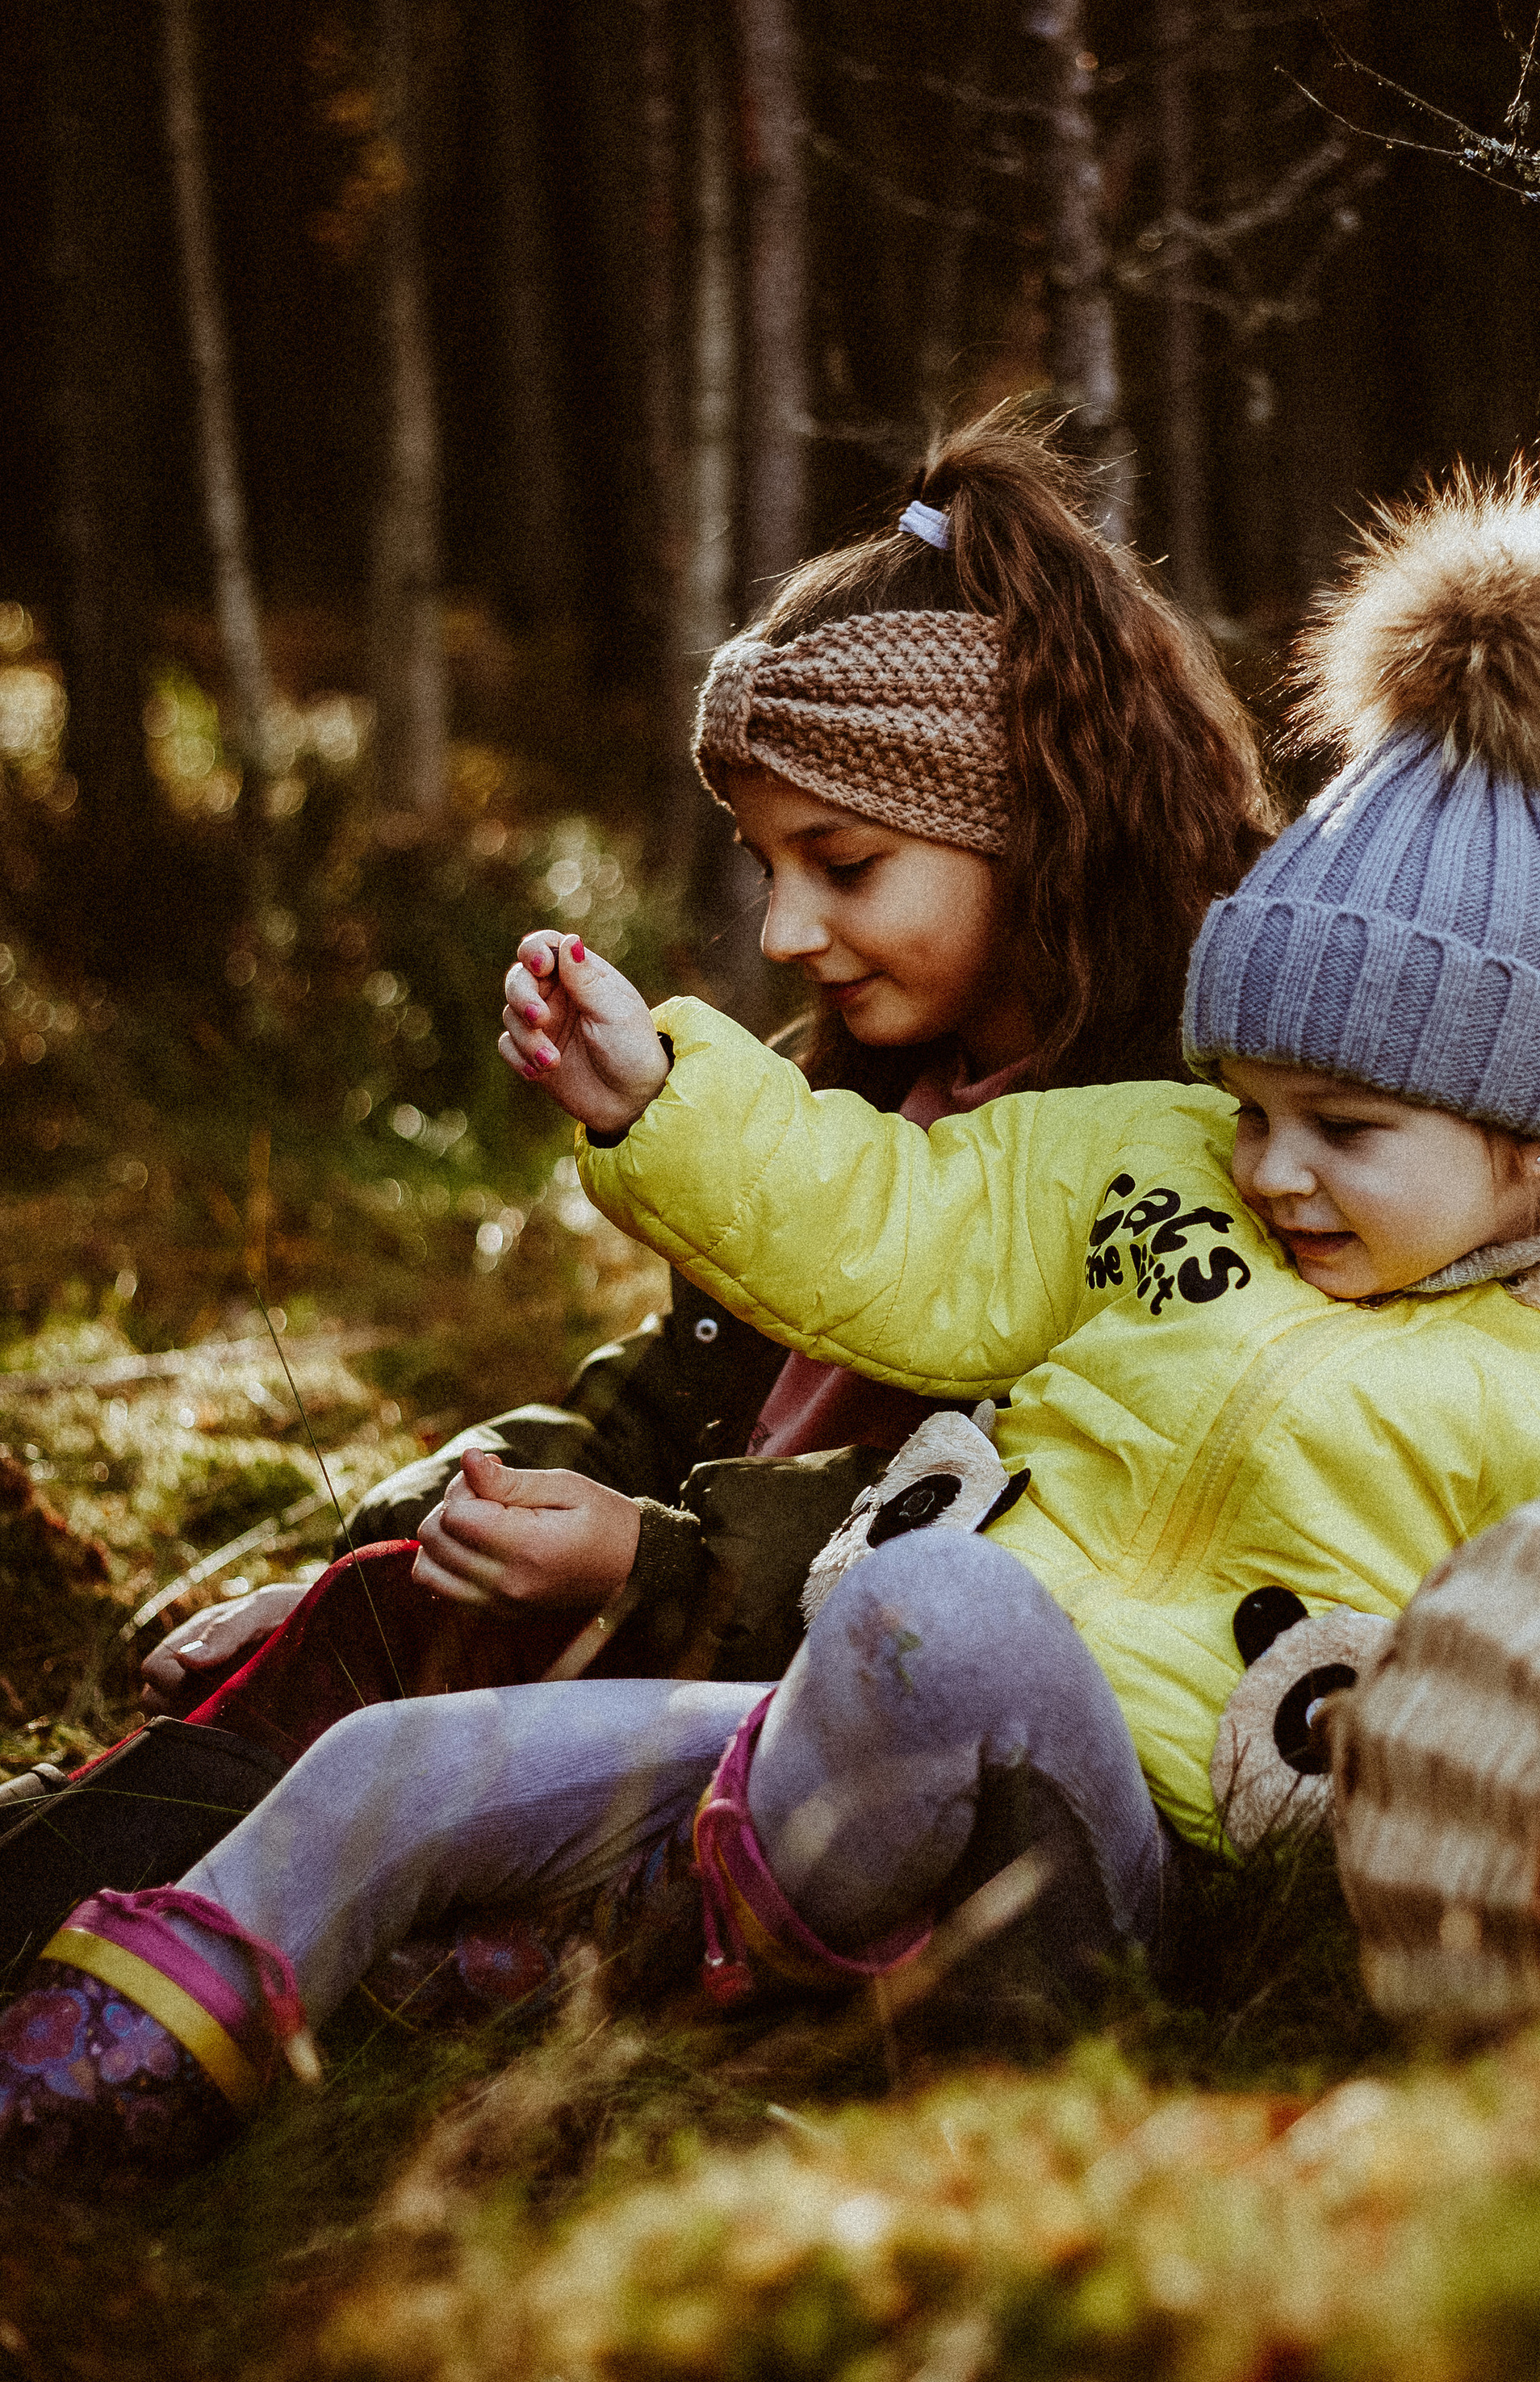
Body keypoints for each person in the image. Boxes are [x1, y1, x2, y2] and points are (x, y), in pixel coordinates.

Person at [0, 461, 1540, 2190]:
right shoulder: (1130, 1154)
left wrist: (656, 1564)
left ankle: (609, 1953)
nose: (1275, 1173)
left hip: (1086, 1817)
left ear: (1532, 1140)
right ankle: (92, 2072)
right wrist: (648, 1110)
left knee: (933, 1611)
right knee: (386, 1712)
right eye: (1253, 1112)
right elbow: (848, 1248)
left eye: (838, 861)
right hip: (826, 1713)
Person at [130, 414, 1274, 1740]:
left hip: (815, 1746)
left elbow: (1018, 1512)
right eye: (765, 865)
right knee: (296, 1689)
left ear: (1040, 820)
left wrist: (656, 1565)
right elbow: (679, 1386)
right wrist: (405, 1543)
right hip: (665, 1641)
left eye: (843, 865)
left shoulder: (1182, 1158)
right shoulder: (837, 1090)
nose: (785, 933)